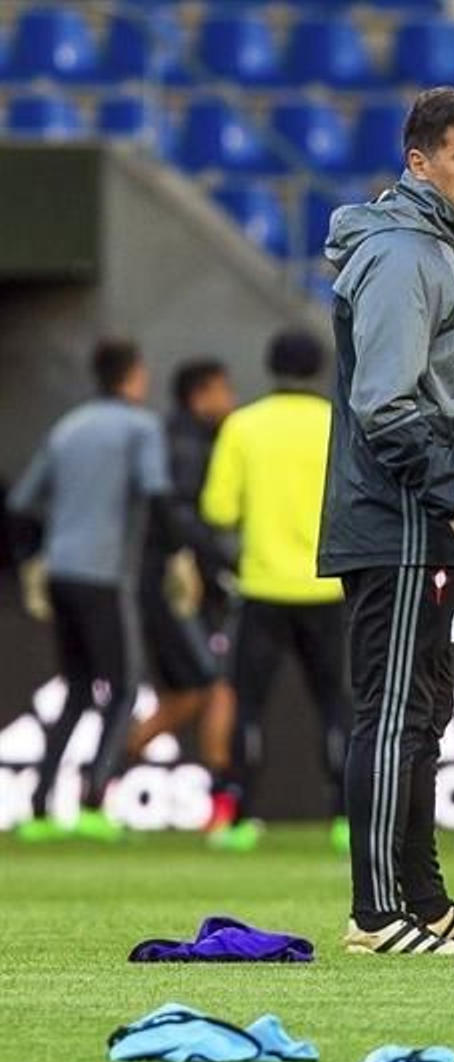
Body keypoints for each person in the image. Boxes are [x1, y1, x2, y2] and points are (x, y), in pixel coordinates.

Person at [319, 87, 454, 956]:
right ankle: (377, 913)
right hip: (400, 523)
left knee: (423, 710)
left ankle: (423, 901)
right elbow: (386, 405)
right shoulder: (403, 256)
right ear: (419, 163)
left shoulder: (428, 249)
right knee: (393, 714)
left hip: (415, 525)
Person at [6, 338, 170, 842]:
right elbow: (156, 492)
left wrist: (30, 558)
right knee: (122, 687)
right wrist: (177, 556)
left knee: (78, 688)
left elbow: (21, 501)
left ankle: (37, 805)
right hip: (105, 574)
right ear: (134, 376)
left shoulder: (68, 426)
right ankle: (96, 798)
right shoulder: (141, 426)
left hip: (60, 572)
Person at [201, 330, 350, 855]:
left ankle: (238, 814)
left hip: (261, 587)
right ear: (318, 369)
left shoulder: (243, 425)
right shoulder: (339, 422)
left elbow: (218, 511)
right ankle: (347, 820)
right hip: (328, 587)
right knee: (337, 704)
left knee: (247, 705)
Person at [129, 359, 237, 826]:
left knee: (200, 690)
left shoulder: (182, 437)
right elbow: (180, 514)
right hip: (175, 586)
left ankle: (103, 776)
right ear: (200, 395)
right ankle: (107, 773)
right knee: (206, 689)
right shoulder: (186, 445)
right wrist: (218, 563)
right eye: (223, 390)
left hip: (175, 582)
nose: (229, 400)